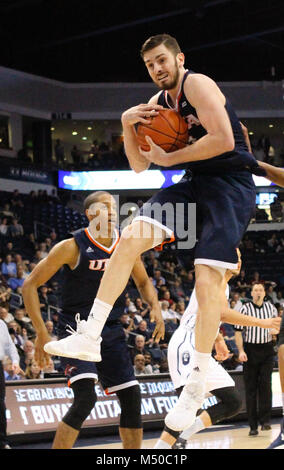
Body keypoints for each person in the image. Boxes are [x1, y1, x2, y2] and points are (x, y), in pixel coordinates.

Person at [43, 33, 265, 433]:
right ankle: (90, 334)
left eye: (162, 60)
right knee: (130, 237)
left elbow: (225, 139)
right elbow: (140, 167)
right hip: (195, 183)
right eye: (150, 65)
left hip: (230, 186)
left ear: (179, 58)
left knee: (206, 276)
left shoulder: (197, 84)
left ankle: (197, 381)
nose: (158, 69)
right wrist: (127, 124)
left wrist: (171, 157)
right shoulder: (158, 104)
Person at [22, 190, 164, 449]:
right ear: (89, 213)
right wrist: (41, 332)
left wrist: (155, 306)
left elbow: (143, 281)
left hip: (110, 330)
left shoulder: (125, 244)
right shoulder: (71, 246)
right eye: (105, 206)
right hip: (75, 329)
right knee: (86, 398)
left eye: (114, 207)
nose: (112, 211)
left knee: (132, 396)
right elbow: (29, 286)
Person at [154, 258, 281, 449]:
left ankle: (182, 438)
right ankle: (159, 451)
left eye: (240, 257)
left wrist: (219, 340)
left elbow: (209, 315)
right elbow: (221, 312)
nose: (239, 261)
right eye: (235, 256)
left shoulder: (224, 284)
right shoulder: (213, 278)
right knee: (187, 407)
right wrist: (263, 322)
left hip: (201, 345)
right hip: (187, 344)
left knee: (233, 402)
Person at [234, 283, 279, 436]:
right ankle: (252, 425)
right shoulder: (245, 309)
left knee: (266, 385)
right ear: (251, 293)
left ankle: (266, 421)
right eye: (255, 290)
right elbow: (238, 332)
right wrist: (240, 351)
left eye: (260, 290)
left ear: (264, 293)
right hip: (250, 350)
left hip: (267, 350)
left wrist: (275, 333)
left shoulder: (271, 308)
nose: (258, 292)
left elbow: (276, 328)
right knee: (251, 388)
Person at [0, 319, 20, 449]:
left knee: (0, 404)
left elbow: (9, 346)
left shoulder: (1, 324)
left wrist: (15, 361)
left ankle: (2, 442)